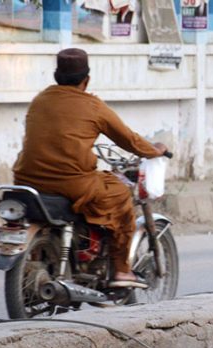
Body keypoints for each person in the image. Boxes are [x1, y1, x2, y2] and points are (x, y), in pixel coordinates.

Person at [13, 48, 169, 288]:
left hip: (26, 180)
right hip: (72, 183)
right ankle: (121, 271)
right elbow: (129, 139)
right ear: (86, 80)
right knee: (120, 194)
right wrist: (155, 150)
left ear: (56, 76)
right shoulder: (92, 105)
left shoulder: (40, 100)